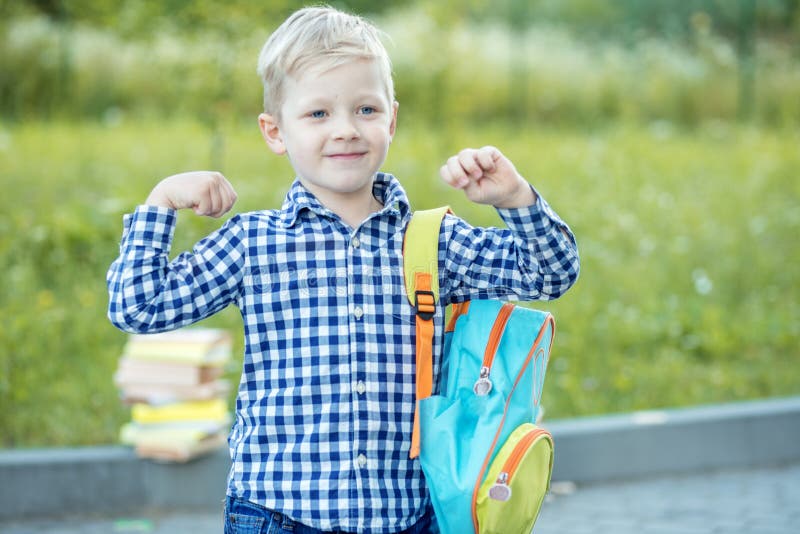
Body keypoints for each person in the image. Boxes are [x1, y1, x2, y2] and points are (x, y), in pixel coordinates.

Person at [107, 6, 579, 534]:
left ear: (392, 120)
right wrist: (161, 204)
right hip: (277, 513)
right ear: (274, 131)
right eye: (318, 114)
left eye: (366, 109)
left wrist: (515, 198)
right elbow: (137, 308)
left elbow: (549, 274)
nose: (346, 130)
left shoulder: (431, 242)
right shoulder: (254, 242)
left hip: (404, 516)